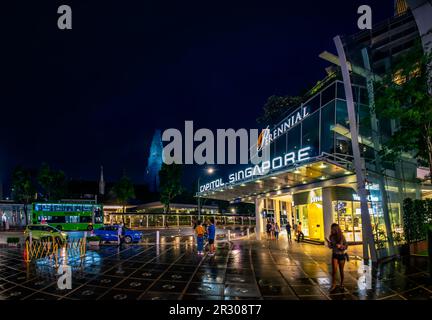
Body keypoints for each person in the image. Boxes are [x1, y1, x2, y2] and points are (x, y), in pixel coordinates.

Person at [326, 223, 348, 292]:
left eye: (332, 229)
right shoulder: (331, 237)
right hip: (334, 254)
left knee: (341, 270)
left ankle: (342, 283)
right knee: (334, 270)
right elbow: (331, 246)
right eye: (331, 229)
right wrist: (329, 245)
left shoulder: (342, 237)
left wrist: (341, 246)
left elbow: (346, 246)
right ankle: (334, 284)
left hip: (341, 255)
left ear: (336, 229)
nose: (331, 230)